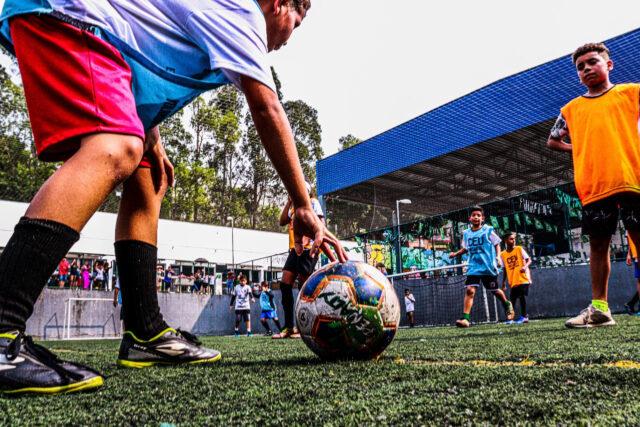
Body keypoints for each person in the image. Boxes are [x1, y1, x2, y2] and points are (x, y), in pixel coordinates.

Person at [0, 0, 346, 394]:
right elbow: (267, 108)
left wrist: (151, 132)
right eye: (296, 24)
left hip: (92, 30)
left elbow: (143, 32)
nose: (288, 37)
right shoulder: (245, 11)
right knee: (119, 147)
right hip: (65, 12)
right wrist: (302, 202)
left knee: (146, 170)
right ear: (281, 4)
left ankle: (145, 334)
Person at [547, 42, 640, 328]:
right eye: (580, 66)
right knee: (598, 245)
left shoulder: (632, 93)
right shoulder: (572, 109)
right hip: (594, 183)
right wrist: (579, 147)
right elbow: (552, 140)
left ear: (608, 65)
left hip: (631, 178)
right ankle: (600, 309)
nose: (586, 68)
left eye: (592, 62)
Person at [272, 181, 325, 339]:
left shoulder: (313, 202)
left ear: (306, 192)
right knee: (285, 285)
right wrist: (289, 202)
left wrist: (316, 242)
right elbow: (282, 221)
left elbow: (321, 223)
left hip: (308, 249)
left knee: (303, 289)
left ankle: (304, 327)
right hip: (294, 250)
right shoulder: (294, 207)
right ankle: (289, 327)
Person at [449, 206, 514, 327]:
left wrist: (498, 257)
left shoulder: (488, 230)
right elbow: (466, 248)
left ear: (482, 218)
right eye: (473, 215)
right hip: (474, 266)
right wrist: (455, 254)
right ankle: (465, 319)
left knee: (494, 291)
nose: (476, 217)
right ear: (470, 218)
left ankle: (506, 304)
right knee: (470, 290)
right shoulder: (466, 234)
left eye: (478, 215)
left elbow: (497, 243)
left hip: (488, 266)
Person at [500, 232, 532, 324]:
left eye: (514, 239)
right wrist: (503, 282)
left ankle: (524, 316)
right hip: (513, 280)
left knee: (521, 296)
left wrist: (524, 267)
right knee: (512, 299)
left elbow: (529, 260)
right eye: (511, 239)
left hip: (522, 278)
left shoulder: (519, 249)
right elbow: (505, 268)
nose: (513, 241)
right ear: (505, 241)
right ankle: (511, 318)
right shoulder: (503, 254)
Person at [623, 232, 640, 315]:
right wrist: (629, 254)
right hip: (637, 254)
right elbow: (632, 238)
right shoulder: (631, 221)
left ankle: (631, 304)